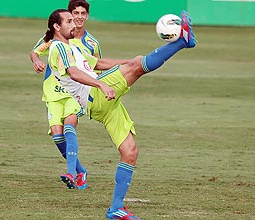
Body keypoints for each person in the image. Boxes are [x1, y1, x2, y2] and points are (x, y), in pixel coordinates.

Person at [44, 8, 196, 219]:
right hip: (95, 96)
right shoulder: (58, 47)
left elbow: (98, 64)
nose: (74, 23)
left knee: (130, 152)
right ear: (56, 27)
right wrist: (100, 84)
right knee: (138, 67)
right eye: (69, 21)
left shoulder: (72, 48)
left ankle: (116, 208)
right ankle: (182, 42)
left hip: (102, 106)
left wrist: (128, 62)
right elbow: (74, 73)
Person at [30, 0, 129, 190]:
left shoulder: (91, 43)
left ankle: (71, 172)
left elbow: (96, 65)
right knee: (58, 137)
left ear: (87, 16)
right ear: (68, 16)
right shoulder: (55, 38)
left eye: (83, 13)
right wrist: (36, 61)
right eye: (75, 13)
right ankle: (80, 170)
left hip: (76, 92)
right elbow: (35, 52)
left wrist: (124, 67)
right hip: (53, 92)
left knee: (69, 125)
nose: (79, 17)